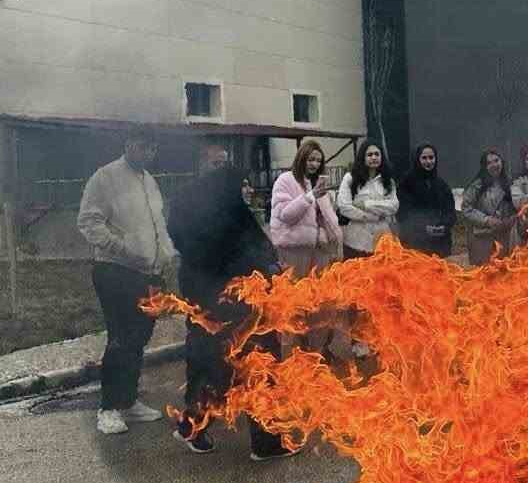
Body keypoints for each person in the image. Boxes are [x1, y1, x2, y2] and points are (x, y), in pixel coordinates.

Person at [165, 146, 291, 459]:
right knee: (224, 365)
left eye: (224, 163)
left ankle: (262, 440)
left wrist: (271, 268)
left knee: (237, 366)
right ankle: (202, 430)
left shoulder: (230, 204)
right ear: (200, 165)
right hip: (219, 302)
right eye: (214, 164)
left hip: (235, 299)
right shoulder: (188, 202)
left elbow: (258, 247)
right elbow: (209, 249)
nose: (221, 169)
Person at [77, 130, 177, 436]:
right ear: (128, 145)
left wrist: (165, 255)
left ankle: (129, 400)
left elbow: (157, 224)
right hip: (115, 271)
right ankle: (108, 408)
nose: (148, 151)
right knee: (120, 338)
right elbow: (88, 222)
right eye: (143, 144)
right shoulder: (105, 177)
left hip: (148, 273)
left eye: (153, 146)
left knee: (139, 336)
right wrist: (124, 249)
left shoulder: (149, 180)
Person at [269, 139, 343, 276]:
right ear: (302, 158)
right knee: (295, 291)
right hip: (293, 249)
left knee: (319, 293)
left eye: (318, 161)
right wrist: (310, 196)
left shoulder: (318, 184)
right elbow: (286, 216)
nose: (315, 164)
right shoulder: (285, 180)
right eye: (311, 159)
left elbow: (325, 219)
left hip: (321, 250)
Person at [337, 141, 399, 259]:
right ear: (362, 157)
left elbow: (394, 206)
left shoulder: (388, 181)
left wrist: (366, 204)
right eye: (369, 155)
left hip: (382, 242)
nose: (374, 157)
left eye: (377, 154)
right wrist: (373, 216)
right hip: (355, 242)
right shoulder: (350, 178)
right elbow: (344, 207)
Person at [398, 142, 457, 256]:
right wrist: (424, 227)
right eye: (424, 158)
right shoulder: (406, 183)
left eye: (431, 157)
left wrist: (443, 226)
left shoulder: (441, 185)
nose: (428, 161)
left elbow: (450, 212)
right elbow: (403, 212)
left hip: (439, 244)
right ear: (417, 159)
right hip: (415, 244)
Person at [463, 148, 517, 265]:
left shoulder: (511, 184)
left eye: (496, 160)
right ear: (484, 166)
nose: (494, 165)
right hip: (481, 238)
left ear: (502, 162)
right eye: (489, 163)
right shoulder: (477, 186)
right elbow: (467, 209)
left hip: (503, 238)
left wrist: (510, 220)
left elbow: (517, 208)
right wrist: (487, 220)